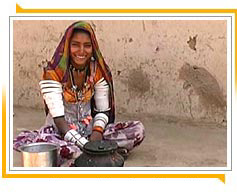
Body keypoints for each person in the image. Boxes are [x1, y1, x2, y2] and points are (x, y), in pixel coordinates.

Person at [13, 21, 145, 166]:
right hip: (61, 133)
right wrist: (87, 146)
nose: (81, 51)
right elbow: (60, 121)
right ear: (67, 46)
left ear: (92, 47)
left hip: (90, 132)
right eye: (75, 44)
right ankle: (101, 154)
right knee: (56, 148)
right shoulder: (53, 72)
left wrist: (97, 133)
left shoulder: (97, 70)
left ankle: (90, 156)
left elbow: (102, 111)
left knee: (137, 130)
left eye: (87, 45)